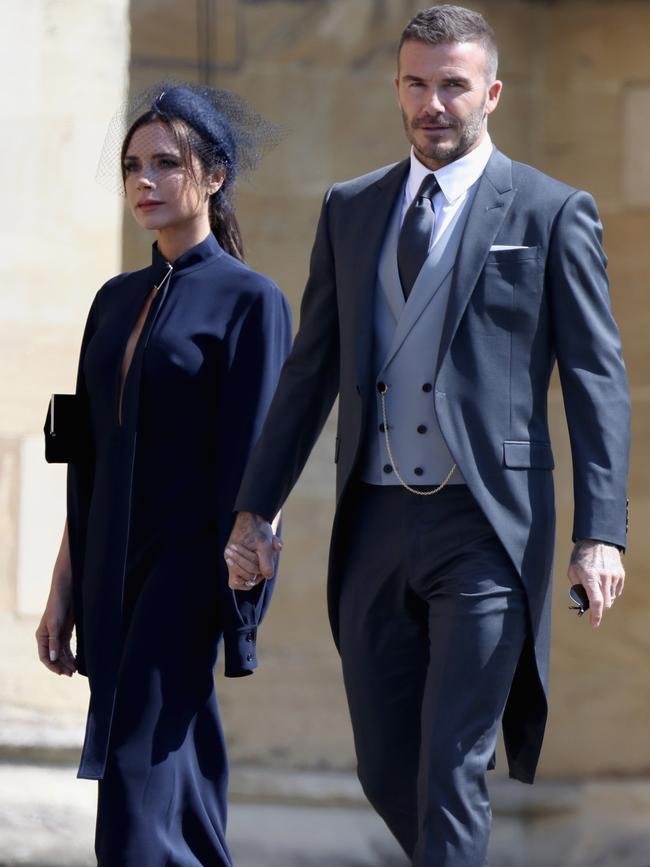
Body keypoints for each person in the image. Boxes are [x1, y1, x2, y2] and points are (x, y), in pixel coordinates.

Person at [224, 5, 630, 866]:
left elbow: (596, 379)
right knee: (384, 764)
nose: (433, 103)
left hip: (487, 525)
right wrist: (254, 510)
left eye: (453, 85)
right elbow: (308, 374)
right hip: (373, 521)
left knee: (453, 763)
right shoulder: (350, 208)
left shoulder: (555, 211)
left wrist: (600, 533)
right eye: (417, 83)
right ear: (397, 87)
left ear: (492, 92)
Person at [36, 83, 291, 866]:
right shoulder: (113, 301)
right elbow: (82, 452)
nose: (144, 181)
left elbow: (263, 460)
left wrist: (251, 558)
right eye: (131, 166)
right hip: (111, 575)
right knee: (168, 791)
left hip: (186, 574)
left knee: (138, 782)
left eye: (165, 164)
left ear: (212, 177)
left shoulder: (253, 301)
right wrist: (61, 589)